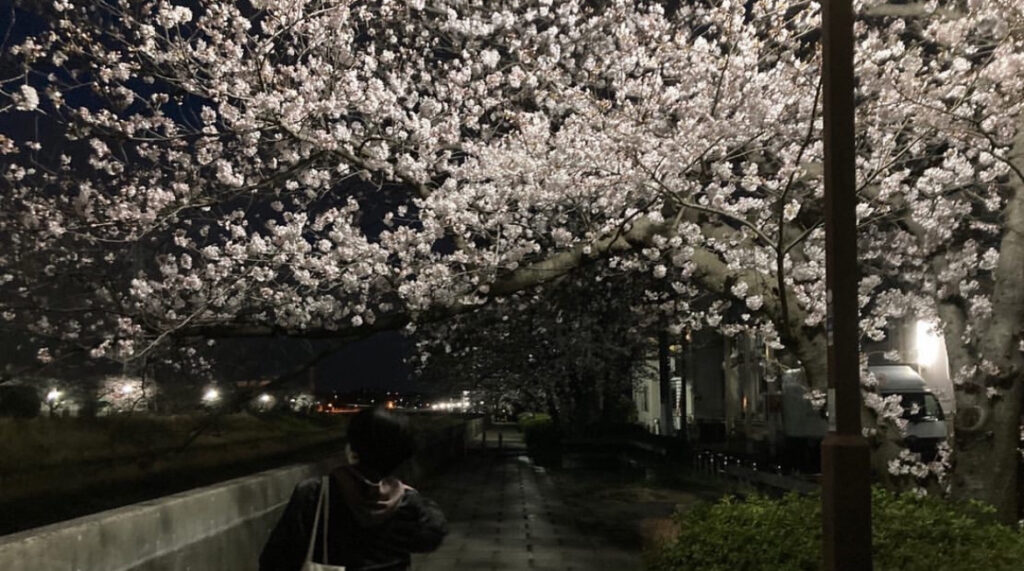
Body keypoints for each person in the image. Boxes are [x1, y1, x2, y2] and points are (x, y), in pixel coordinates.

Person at [259, 407, 447, 571]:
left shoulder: (315, 492)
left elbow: (276, 558)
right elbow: (430, 538)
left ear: (353, 448)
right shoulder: (407, 499)